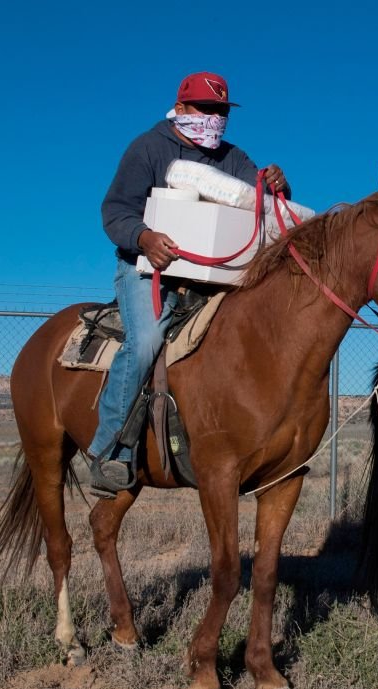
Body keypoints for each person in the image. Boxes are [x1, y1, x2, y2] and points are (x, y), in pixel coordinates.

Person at [88, 71, 290, 495]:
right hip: (147, 269)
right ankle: (109, 451)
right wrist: (144, 238)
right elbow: (115, 210)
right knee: (145, 342)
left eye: (220, 111)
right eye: (205, 109)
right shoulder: (148, 147)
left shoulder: (234, 158)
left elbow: (261, 211)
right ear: (180, 109)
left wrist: (278, 189)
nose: (214, 118)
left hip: (213, 273)